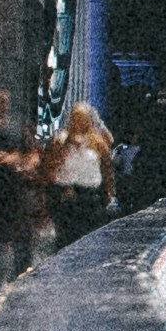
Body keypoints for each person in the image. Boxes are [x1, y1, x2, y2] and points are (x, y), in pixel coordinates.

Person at [49, 98, 118, 243]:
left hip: (89, 195)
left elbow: (107, 168)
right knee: (66, 239)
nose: (79, 122)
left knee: (88, 237)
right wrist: (68, 144)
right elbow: (52, 166)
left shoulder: (97, 142)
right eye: (76, 118)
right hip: (66, 194)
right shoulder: (60, 140)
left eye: (83, 118)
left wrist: (110, 193)